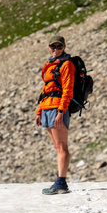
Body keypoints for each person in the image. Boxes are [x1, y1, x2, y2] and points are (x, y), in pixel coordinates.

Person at [35, 35, 75, 195]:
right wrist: (39, 112)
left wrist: (60, 111)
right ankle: (60, 182)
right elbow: (45, 90)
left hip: (57, 108)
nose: (56, 49)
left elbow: (68, 90)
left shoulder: (67, 64)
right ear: (49, 47)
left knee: (61, 146)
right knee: (57, 147)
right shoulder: (49, 65)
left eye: (59, 47)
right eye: (53, 46)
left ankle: (61, 182)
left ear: (64, 47)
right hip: (46, 108)